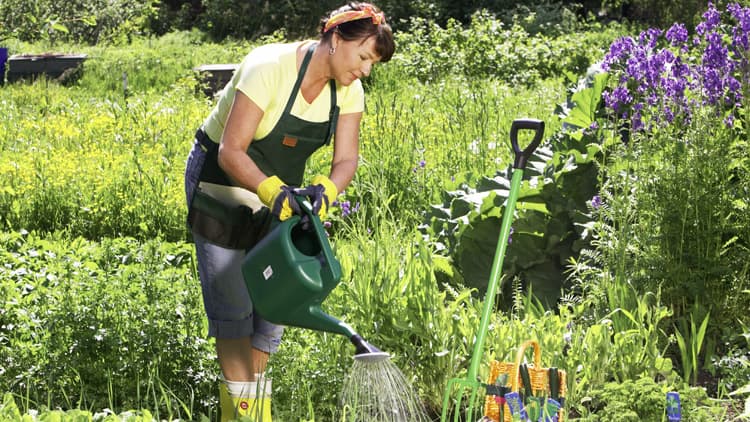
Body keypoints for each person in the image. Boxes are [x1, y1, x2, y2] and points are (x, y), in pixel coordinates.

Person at [183, 3, 394, 421]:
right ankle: (246, 415)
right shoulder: (269, 67)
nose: (366, 70)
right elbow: (231, 151)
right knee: (233, 311)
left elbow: (347, 160)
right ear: (336, 40)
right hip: (221, 183)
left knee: (273, 307)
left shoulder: (348, 89)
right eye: (365, 57)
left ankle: (243, 413)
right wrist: (272, 192)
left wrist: (326, 192)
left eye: (373, 63)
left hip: (280, 194)